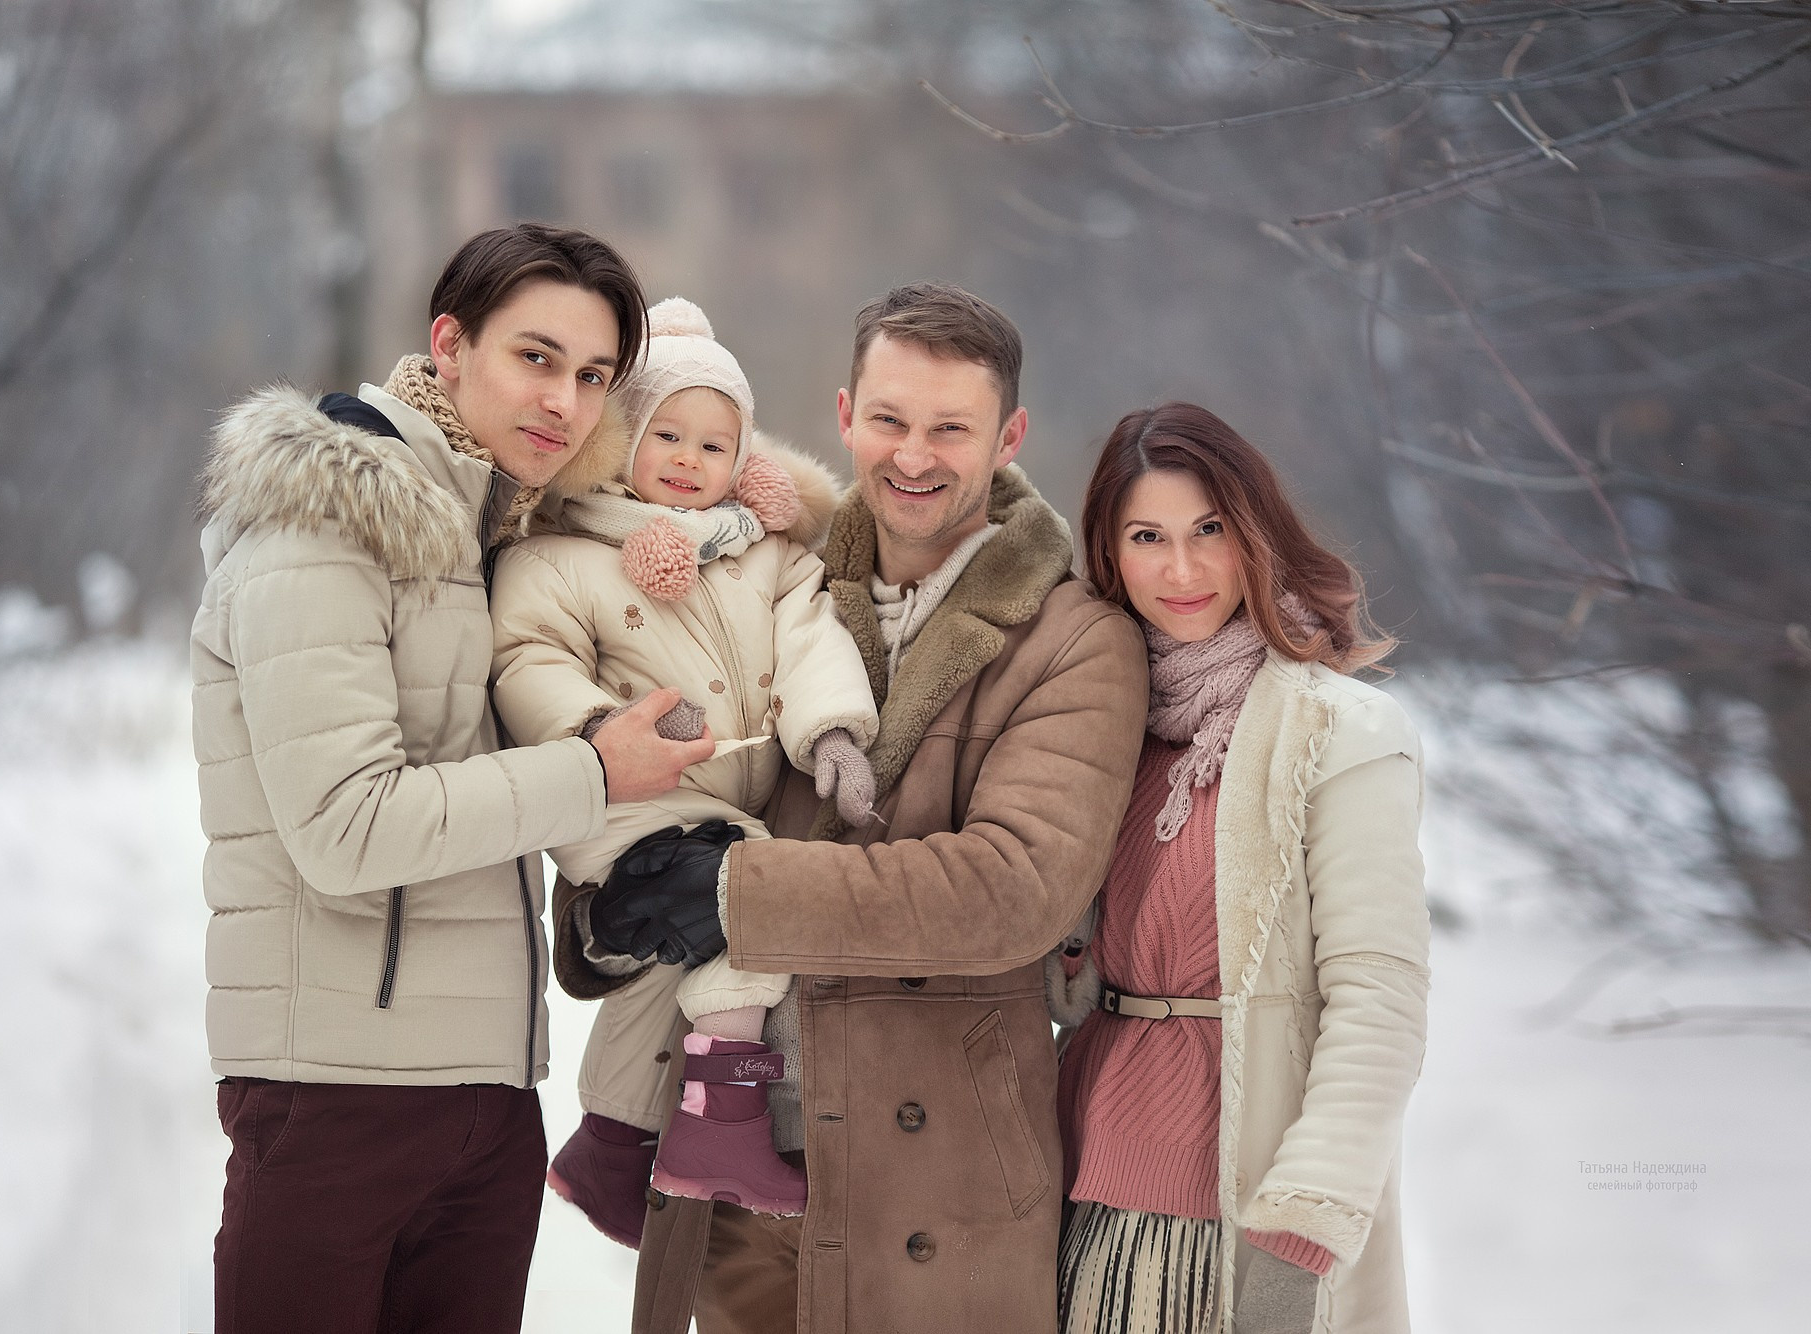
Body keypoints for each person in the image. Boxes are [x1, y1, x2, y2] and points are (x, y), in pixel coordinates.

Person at [554, 283, 1153, 1334]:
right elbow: (676, 777)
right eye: (886, 420)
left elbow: (1004, 891)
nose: (910, 455)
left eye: (948, 428)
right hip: (734, 1168)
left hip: (934, 1191)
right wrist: (616, 898)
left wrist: (730, 885)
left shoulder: (1072, 639)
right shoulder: (764, 579)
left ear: (1007, 435)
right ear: (842, 416)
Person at [190, 223, 715, 1334]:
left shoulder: (494, 536)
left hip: (482, 1101)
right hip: (332, 1099)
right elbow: (345, 825)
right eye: (535, 357)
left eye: (591, 376)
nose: (565, 401)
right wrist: (589, 770)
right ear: (449, 344)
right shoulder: (326, 519)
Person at [488, 296, 879, 1241]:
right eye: (666, 433)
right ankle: (723, 1128)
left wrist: (830, 732)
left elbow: (814, 636)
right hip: (614, 799)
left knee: (685, 959)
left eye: (715, 445)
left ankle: (610, 1150)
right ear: (620, 438)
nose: (688, 461)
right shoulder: (563, 555)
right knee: (754, 902)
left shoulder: (766, 557)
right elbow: (525, 659)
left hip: (719, 805)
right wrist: (597, 732)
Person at [1049, 403, 1429, 1334]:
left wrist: (1301, 1229)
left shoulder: (1339, 730)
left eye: (1209, 531)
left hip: (1243, 1206)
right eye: (1149, 537)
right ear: (1109, 553)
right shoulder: (1094, 728)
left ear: (1254, 532)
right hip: (1076, 1193)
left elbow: (1379, 999)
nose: (1182, 570)